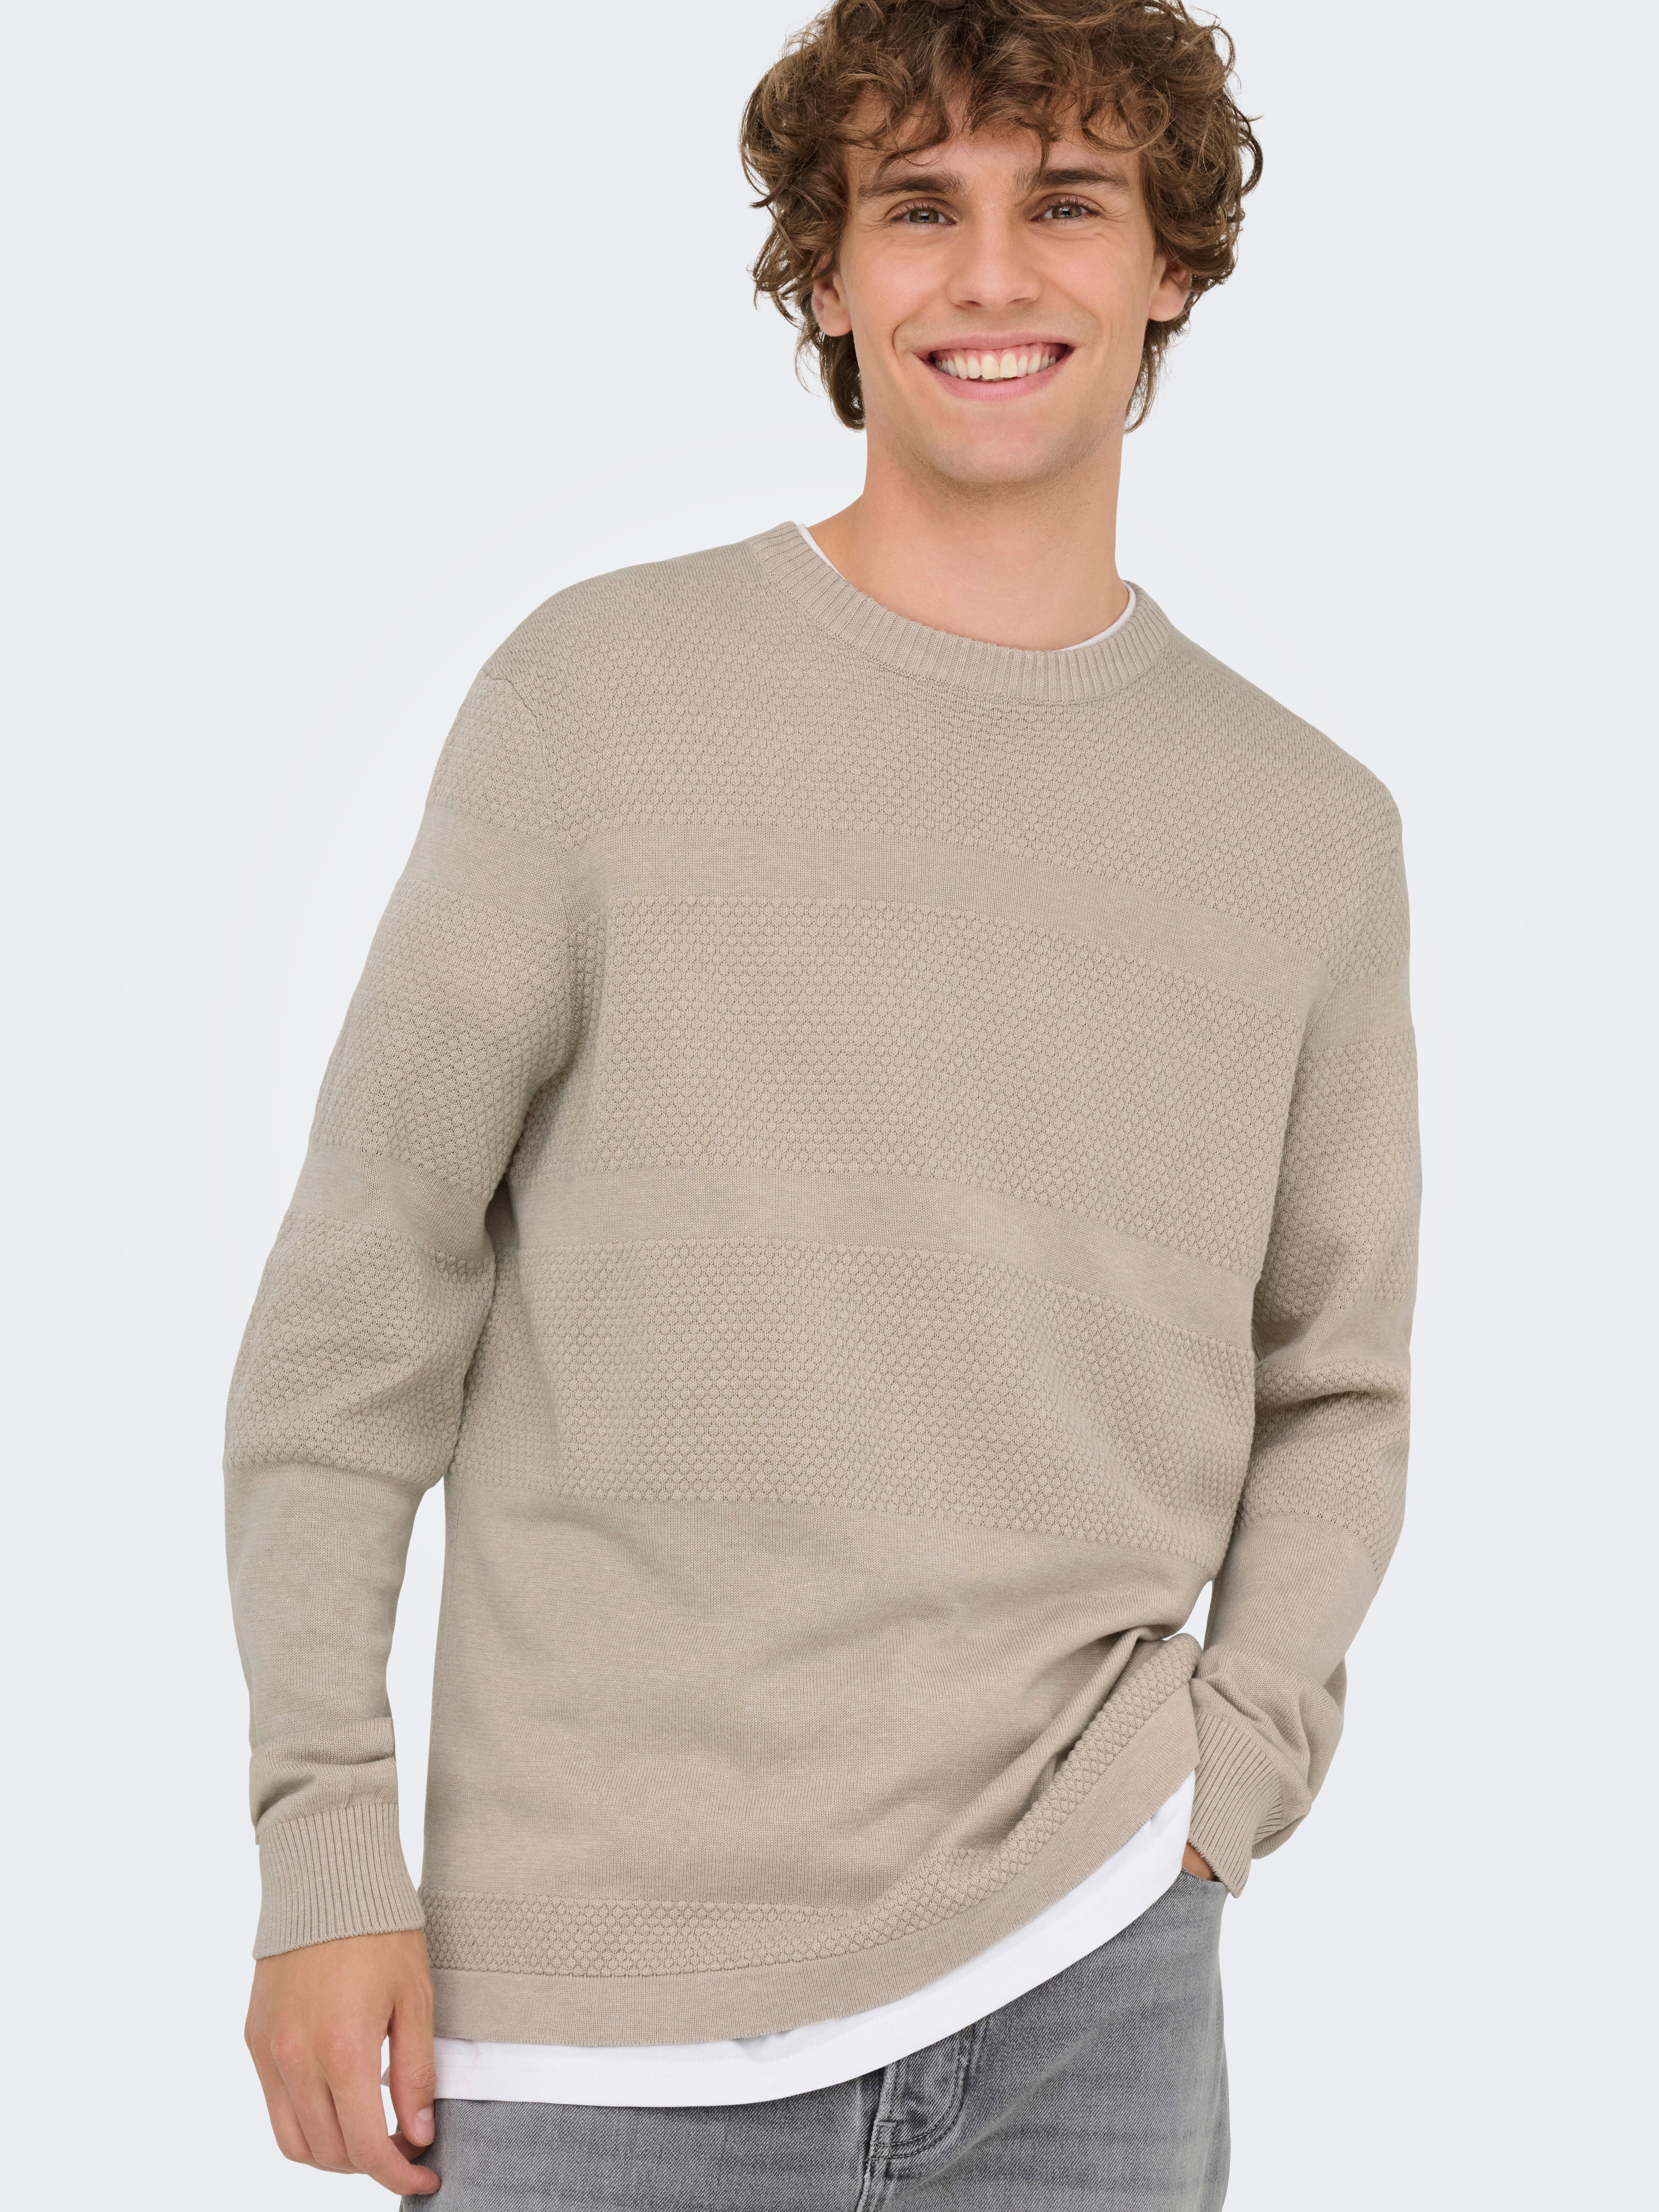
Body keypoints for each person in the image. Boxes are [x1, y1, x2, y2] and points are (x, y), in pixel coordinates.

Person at [227, 2, 1420, 2204]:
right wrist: (324, 1852)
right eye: (920, 209)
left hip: (1092, 1981)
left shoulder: (1308, 831)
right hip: (593, 2019)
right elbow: (355, 1312)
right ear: (831, 275)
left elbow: (1334, 1383)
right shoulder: (596, 705)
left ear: (1172, 261)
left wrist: (1224, 1786)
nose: (993, 275)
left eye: (1069, 203)